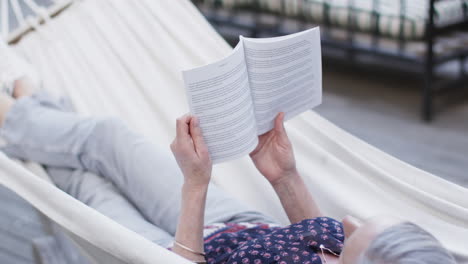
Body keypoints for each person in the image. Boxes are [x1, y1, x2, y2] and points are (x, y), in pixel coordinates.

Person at [0, 41, 456, 264]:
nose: (348, 222)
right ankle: (27, 107)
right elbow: (316, 237)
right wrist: (284, 176)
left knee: (84, 184)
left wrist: (195, 185)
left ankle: (21, 105)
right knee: (108, 136)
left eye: (358, 236)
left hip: (172, 249)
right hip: (239, 223)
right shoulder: (341, 248)